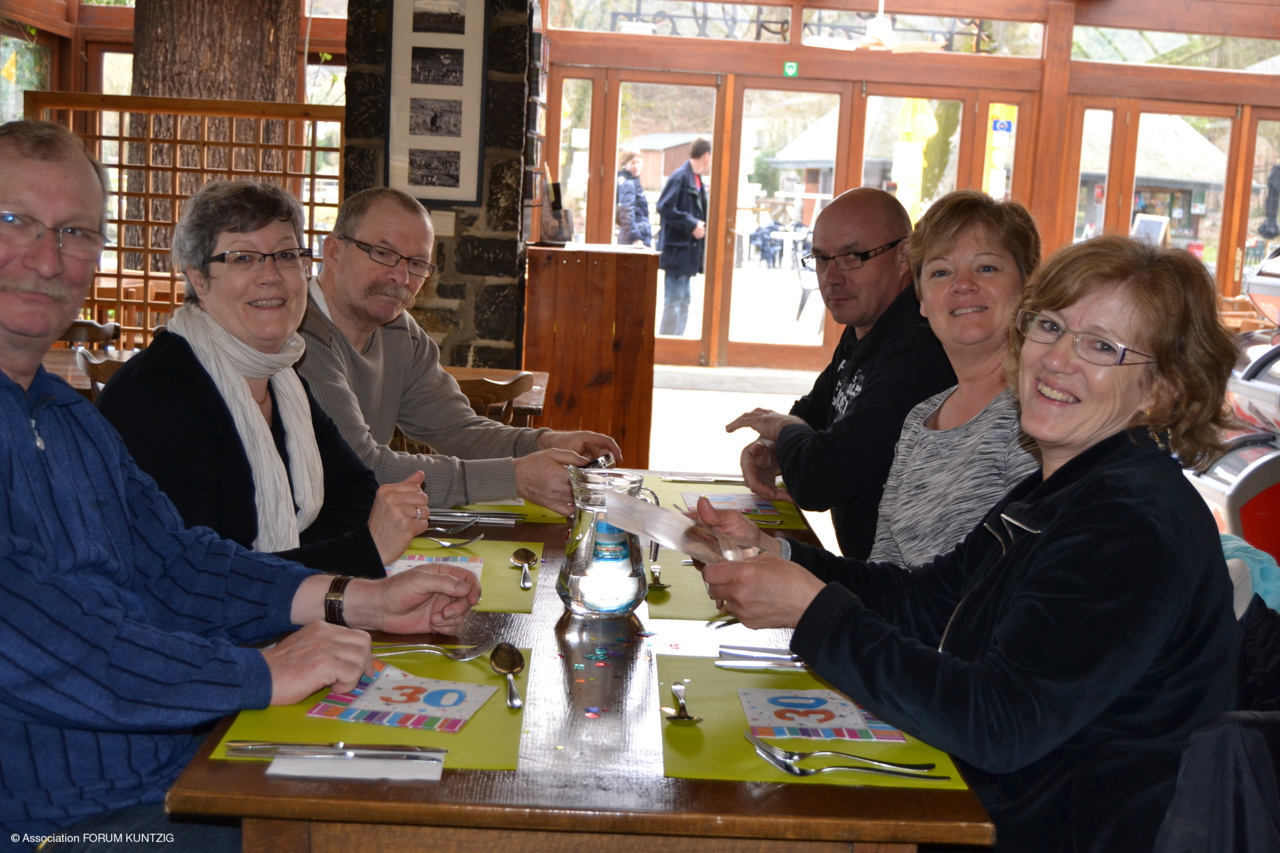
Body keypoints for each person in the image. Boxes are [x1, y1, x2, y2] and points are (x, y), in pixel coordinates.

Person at [0, 119, 479, 850]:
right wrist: (256, 673)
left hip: (166, 764)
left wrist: (359, 597)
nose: (46, 257)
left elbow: (176, 562)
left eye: (74, 233)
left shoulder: (65, 417)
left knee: (429, 788)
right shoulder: (149, 393)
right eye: (15, 221)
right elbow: (40, 641)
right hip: (57, 822)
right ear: (197, 276)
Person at [698, 234, 1241, 852]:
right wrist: (780, 556)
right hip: (984, 805)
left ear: (1162, 390)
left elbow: (999, 725)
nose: (1056, 359)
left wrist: (812, 611)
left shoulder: (1129, 524)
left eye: (1099, 346)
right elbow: (931, 599)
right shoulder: (1069, 483)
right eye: (1049, 326)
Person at [98, 181, 429, 578]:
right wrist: (358, 551)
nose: (271, 276)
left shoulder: (283, 380)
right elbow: (196, 578)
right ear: (199, 277)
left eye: (286, 255)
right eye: (243, 258)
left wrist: (294, 562)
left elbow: (357, 489)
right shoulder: (156, 394)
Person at [296, 187, 621, 517]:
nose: (401, 277)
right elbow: (362, 468)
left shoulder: (399, 331)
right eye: (383, 253)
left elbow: (457, 430)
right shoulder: (298, 336)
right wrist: (515, 477)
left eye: (417, 263)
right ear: (334, 252)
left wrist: (543, 443)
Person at [727, 188, 956, 558]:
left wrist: (783, 430)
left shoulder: (919, 348)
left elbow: (820, 481)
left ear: (904, 256)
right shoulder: (865, 326)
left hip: (901, 583)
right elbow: (813, 413)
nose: (831, 277)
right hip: (864, 572)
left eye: (853, 257)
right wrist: (773, 448)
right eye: (821, 259)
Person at [869, 190, 1041, 565]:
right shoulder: (919, 419)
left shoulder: (1037, 415)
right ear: (921, 301)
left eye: (986, 268)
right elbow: (883, 564)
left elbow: (1015, 574)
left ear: (1028, 287)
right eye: (941, 272)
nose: (962, 284)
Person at [655, 137, 710, 336]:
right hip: (677, 250)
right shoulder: (680, 177)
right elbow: (664, 207)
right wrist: (692, 224)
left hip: (687, 252)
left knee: (684, 301)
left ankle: (677, 343)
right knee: (674, 301)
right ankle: (667, 345)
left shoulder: (696, 178)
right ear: (706, 156)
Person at [615, 148, 652, 248]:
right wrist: (636, 238)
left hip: (640, 234)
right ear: (625, 165)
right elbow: (626, 214)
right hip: (635, 239)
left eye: (638, 162)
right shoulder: (628, 184)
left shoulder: (635, 182)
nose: (636, 166)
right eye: (632, 163)